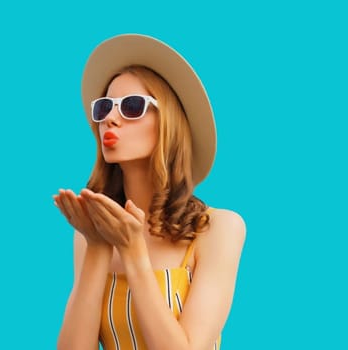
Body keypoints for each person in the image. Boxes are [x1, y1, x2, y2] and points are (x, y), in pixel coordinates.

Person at [55, 34, 247, 350]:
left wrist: (132, 251)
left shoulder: (219, 229)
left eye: (131, 106)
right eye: (104, 107)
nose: (110, 119)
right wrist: (98, 246)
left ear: (169, 122)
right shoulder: (89, 234)